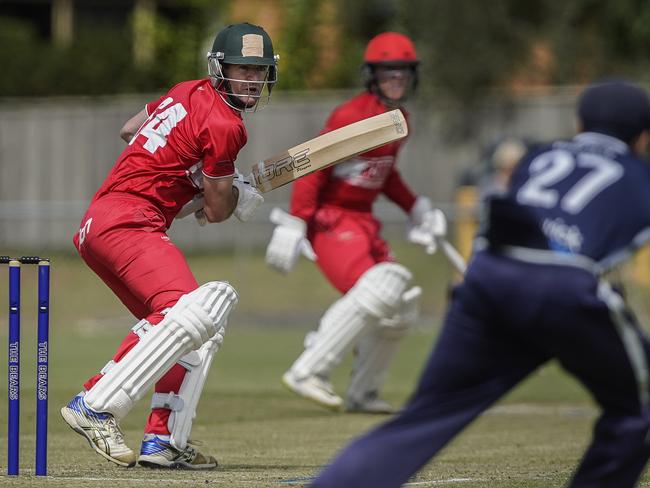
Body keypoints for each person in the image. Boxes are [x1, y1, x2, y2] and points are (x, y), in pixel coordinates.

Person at [308, 79, 650, 487]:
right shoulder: (638, 173)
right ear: (643, 136)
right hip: (562, 287)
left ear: (578, 123)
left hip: (489, 279)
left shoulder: (541, 156)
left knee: (422, 421)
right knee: (639, 410)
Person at [59, 22, 278, 470]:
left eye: (260, 71)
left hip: (103, 221)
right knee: (192, 309)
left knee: (197, 329)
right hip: (130, 222)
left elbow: (129, 130)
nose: (252, 80)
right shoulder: (226, 124)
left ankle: (164, 441)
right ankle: (96, 403)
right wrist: (235, 196)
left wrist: (198, 181)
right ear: (221, 69)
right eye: (243, 69)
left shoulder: (187, 90)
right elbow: (214, 212)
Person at [265, 32, 446, 414]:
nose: (397, 79)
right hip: (332, 219)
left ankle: (363, 392)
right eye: (388, 72)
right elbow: (313, 167)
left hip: (365, 221)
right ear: (372, 75)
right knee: (383, 285)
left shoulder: (400, 121)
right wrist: (296, 223)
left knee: (401, 305)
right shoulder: (352, 116)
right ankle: (310, 369)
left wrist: (418, 208)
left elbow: (384, 174)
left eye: (403, 72)